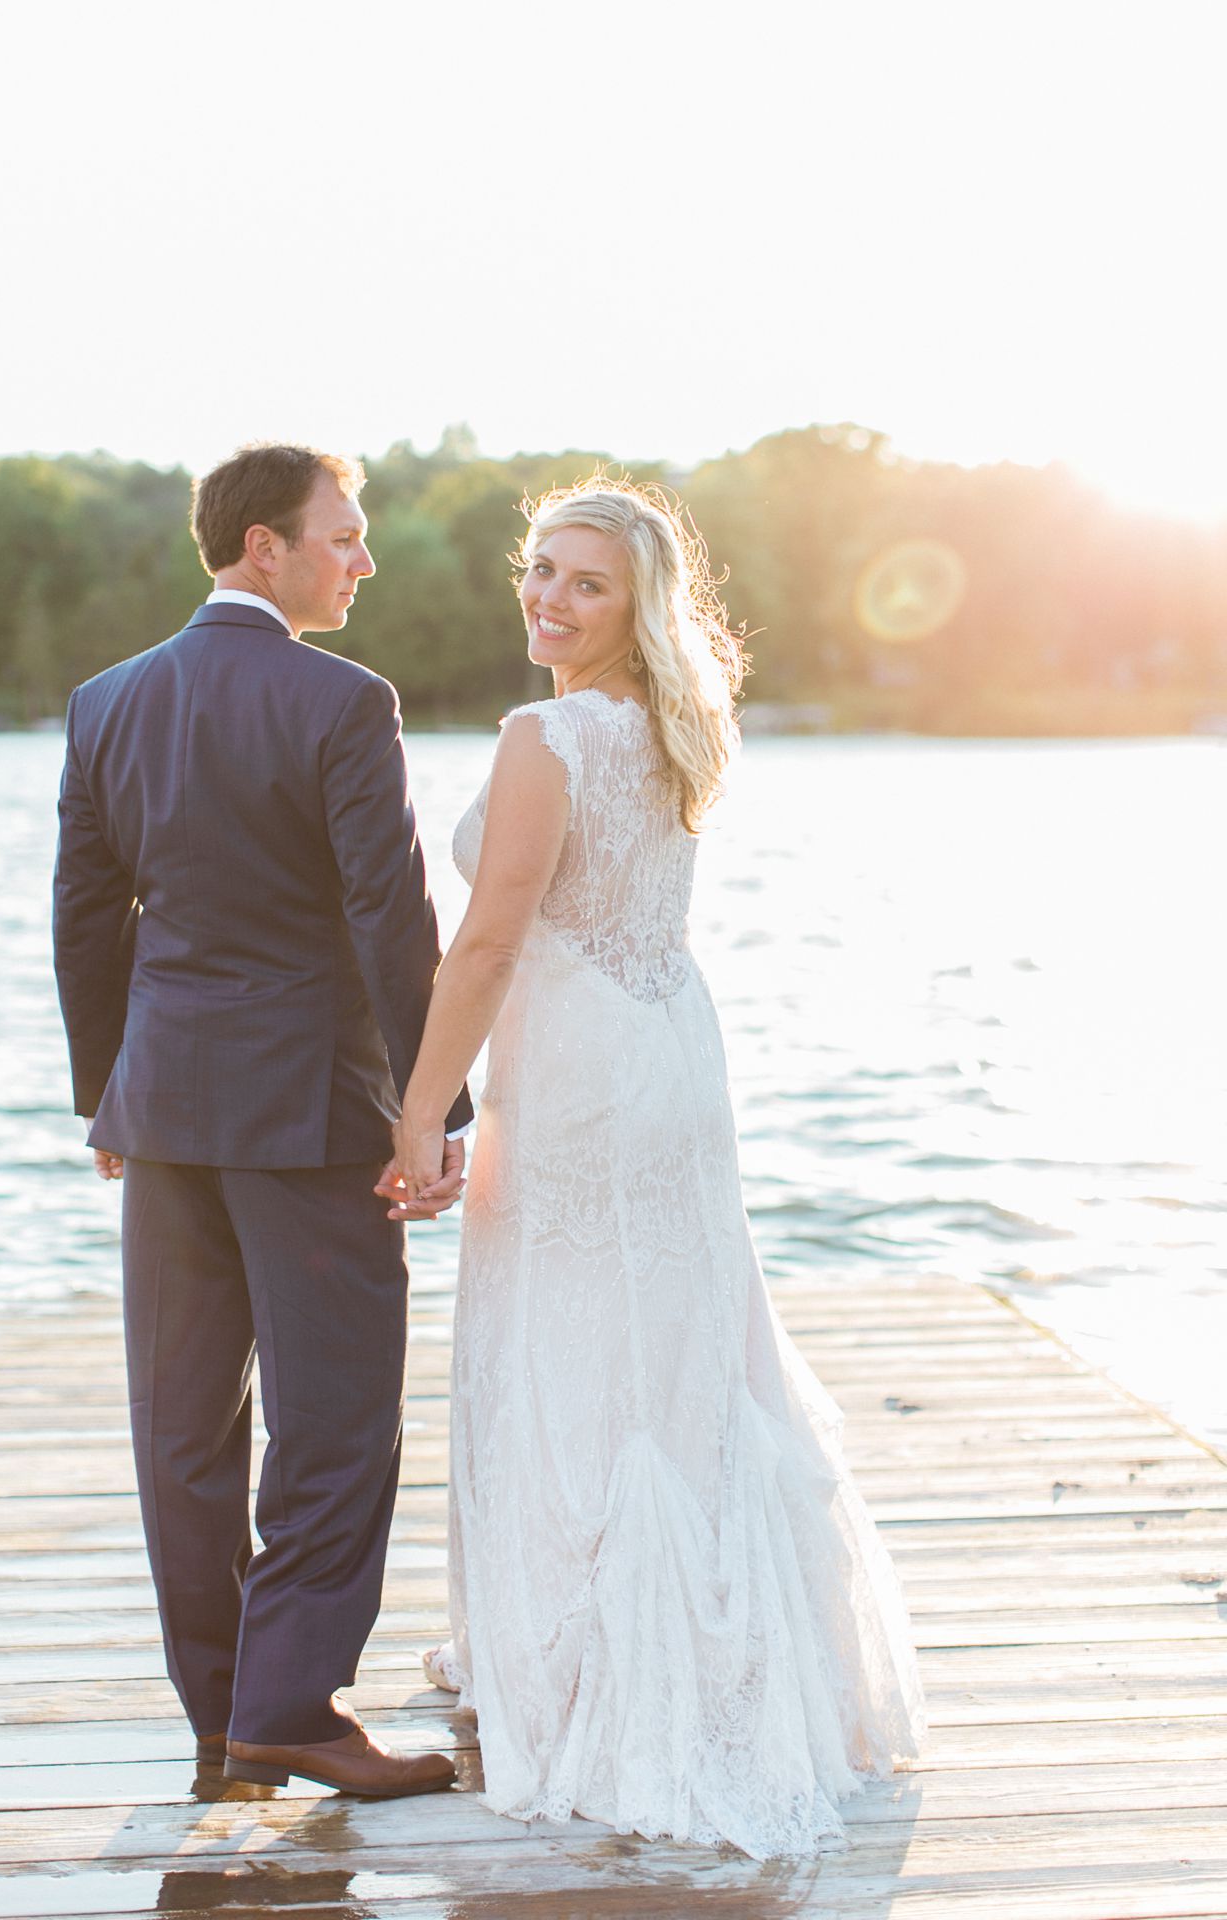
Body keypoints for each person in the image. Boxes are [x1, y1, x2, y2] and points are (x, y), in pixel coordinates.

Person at [378, 478, 927, 1859]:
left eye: (587, 584)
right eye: (543, 571)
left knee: (570, 1350)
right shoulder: (680, 723)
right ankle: (688, 1637)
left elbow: (491, 943)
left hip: (579, 1080)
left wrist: (418, 1110)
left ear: (639, 607)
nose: (549, 600)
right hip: (670, 1056)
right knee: (672, 1345)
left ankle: (584, 1663)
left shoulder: (543, 734)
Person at [52, 443, 471, 1798]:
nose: (362, 559)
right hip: (308, 1112)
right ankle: (289, 1705)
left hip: (163, 1110)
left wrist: (104, 1090)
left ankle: (225, 1711)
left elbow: (83, 918)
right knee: (338, 1415)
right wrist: (433, 1107)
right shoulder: (344, 701)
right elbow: (390, 920)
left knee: (181, 1424)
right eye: (340, 537)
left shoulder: (105, 700)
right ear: (260, 549)